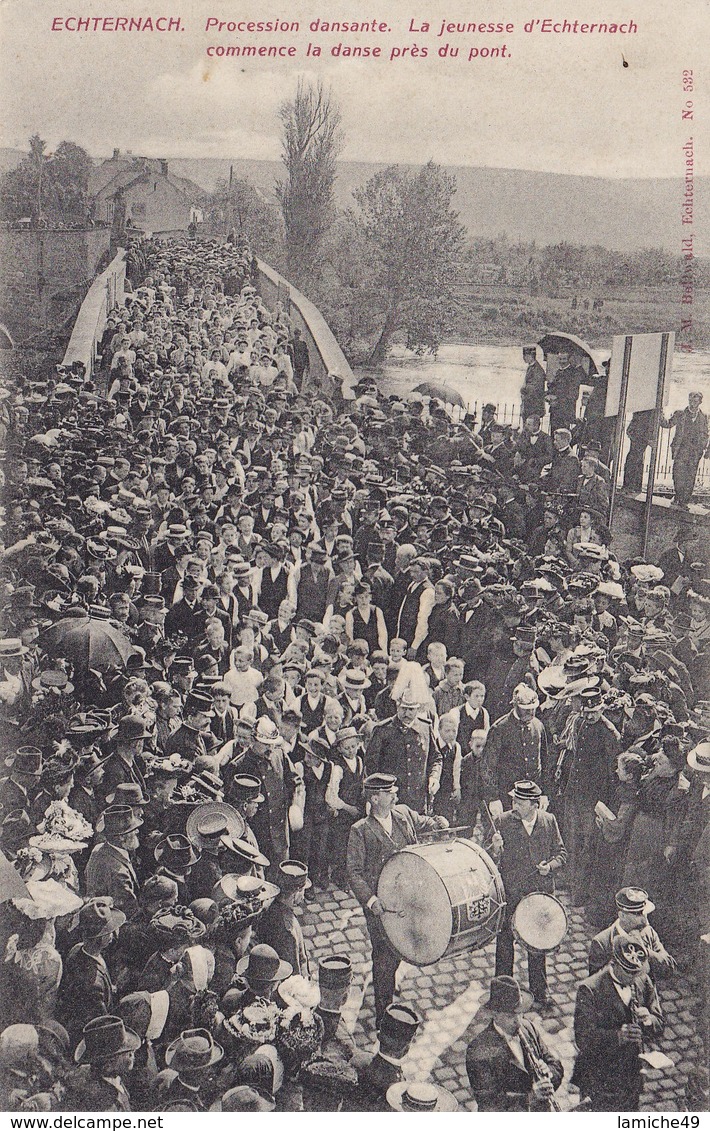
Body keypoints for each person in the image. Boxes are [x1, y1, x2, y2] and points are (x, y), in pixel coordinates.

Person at [346, 773, 447, 1024]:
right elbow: (354, 872)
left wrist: (439, 822)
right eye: (390, 793)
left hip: (408, 898)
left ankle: (389, 982)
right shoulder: (360, 831)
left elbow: (427, 823)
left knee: (399, 948)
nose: (395, 796)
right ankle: (383, 1014)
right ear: (375, 798)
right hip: (382, 907)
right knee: (383, 958)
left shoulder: (403, 815)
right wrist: (370, 901)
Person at [490, 781, 567, 1008]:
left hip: (539, 894)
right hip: (511, 894)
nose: (514, 805)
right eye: (513, 800)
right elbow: (487, 860)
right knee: (505, 945)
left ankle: (539, 993)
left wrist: (550, 867)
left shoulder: (548, 821)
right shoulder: (502, 822)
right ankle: (501, 996)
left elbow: (561, 853)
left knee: (538, 945)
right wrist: (495, 849)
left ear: (534, 805)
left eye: (519, 802)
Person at [572, 935, 664, 1111]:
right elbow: (583, 1038)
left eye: (636, 972)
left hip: (631, 1075)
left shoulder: (642, 980)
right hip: (599, 1077)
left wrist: (648, 1020)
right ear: (613, 964)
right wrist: (618, 1036)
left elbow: (659, 1021)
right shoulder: (590, 989)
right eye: (627, 972)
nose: (633, 978)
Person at [466, 975, 563, 1111]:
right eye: (510, 1016)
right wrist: (530, 1097)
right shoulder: (478, 1049)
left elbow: (556, 1065)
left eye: (520, 1013)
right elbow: (488, 1103)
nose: (517, 1021)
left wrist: (549, 1073)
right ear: (494, 1014)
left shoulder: (528, 1028)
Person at [588, 887, 676, 978]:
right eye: (638, 914)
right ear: (622, 916)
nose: (645, 920)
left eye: (645, 913)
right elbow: (596, 984)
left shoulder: (649, 932)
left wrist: (646, 952)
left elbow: (669, 968)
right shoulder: (602, 942)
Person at [661, 391, 710, 506]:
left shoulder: (705, 417)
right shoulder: (680, 414)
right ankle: (678, 496)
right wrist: (660, 414)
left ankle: (685, 500)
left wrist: (705, 449)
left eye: (695, 401)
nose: (692, 403)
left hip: (695, 453)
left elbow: (707, 434)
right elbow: (668, 424)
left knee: (690, 476)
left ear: (700, 402)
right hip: (681, 450)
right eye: (690, 400)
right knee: (678, 474)